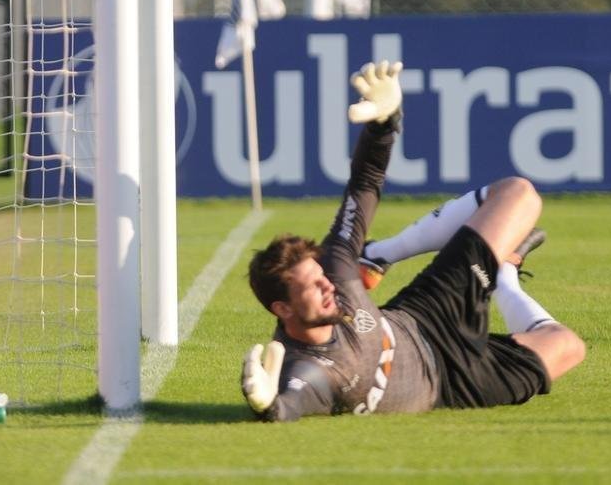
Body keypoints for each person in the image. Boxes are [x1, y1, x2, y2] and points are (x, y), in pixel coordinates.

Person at [241, 61, 585, 421]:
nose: (327, 285)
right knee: (568, 346)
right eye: (311, 287)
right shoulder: (308, 367)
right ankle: (503, 280)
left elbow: (365, 182)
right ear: (283, 309)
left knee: (519, 193)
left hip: (425, 313)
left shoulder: (337, 271)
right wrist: (268, 405)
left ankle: (382, 254)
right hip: (452, 381)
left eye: (320, 276)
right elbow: (290, 405)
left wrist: (385, 123)